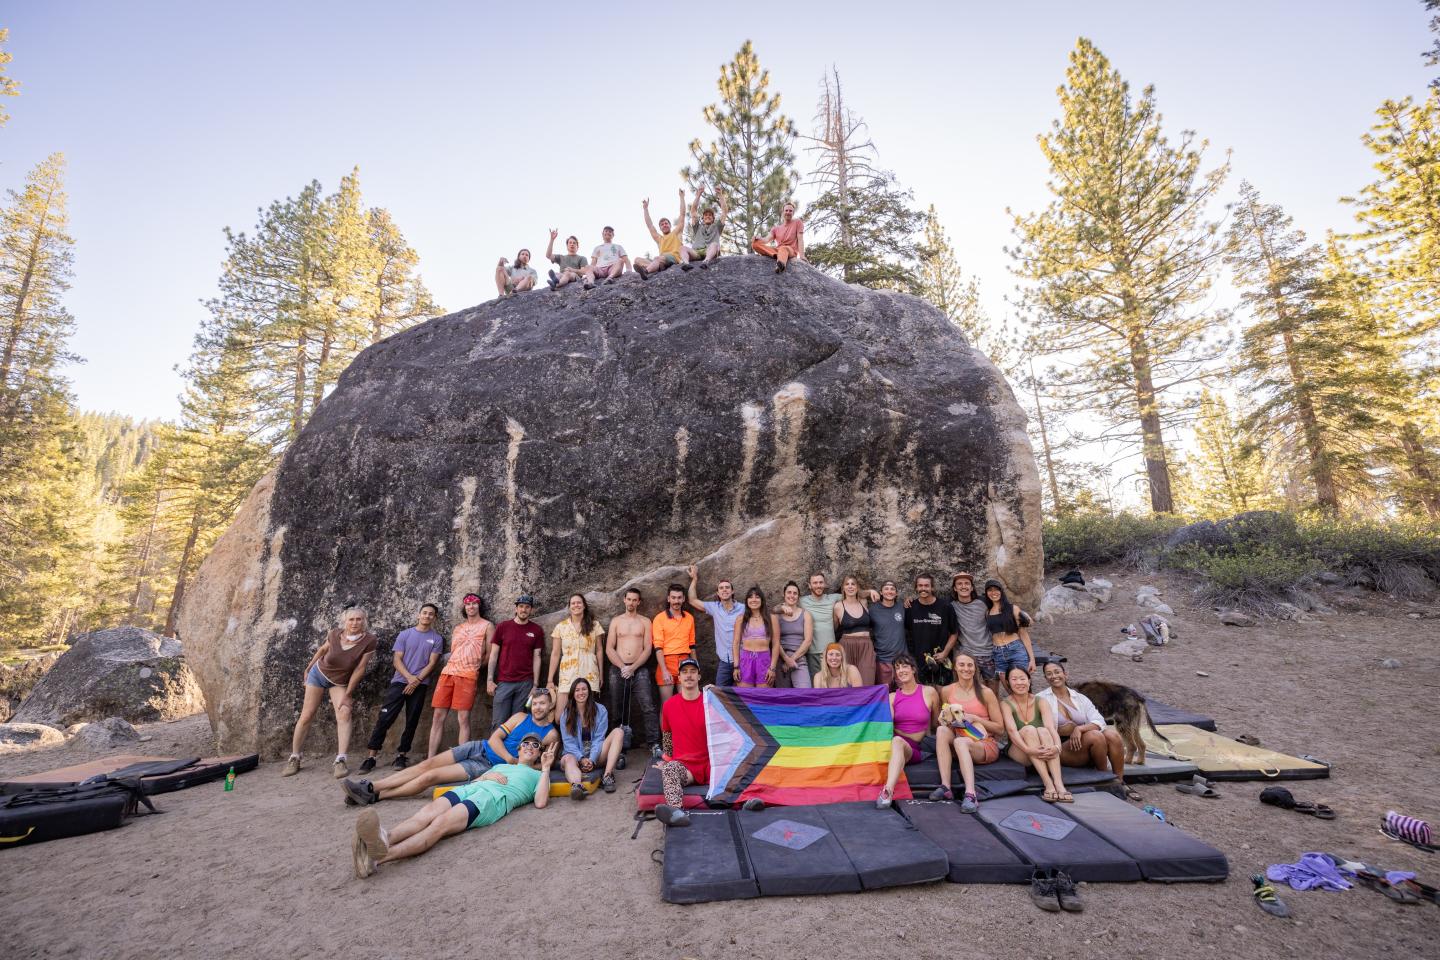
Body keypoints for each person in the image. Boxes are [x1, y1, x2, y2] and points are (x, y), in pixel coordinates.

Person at [352, 735, 555, 879]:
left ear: (539, 753)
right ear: (518, 749)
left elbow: (540, 802)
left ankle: (378, 858)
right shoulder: (502, 765)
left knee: (439, 824)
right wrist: (486, 775)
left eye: (535, 745)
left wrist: (545, 768)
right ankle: (385, 838)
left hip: (490, 799)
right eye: (526, 743)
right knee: (425, 814)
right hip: (473, 788)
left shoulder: (538, 776)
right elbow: (477, 778)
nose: (530, 746)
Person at [341, 689, 560, 805]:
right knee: (427, 764)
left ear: (550, 706)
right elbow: (495, 739)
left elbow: (543, 765)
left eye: (543, 703)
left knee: (431, 777)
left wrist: (511, 763)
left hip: (487, 766)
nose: (538, 707)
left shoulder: (550, 733)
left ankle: (377, 796)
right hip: (479, 747)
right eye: (536, 703)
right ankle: (372, 786)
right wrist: (510, 758)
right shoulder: (520, 716)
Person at [283, 607, 377, 779]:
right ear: (345, 621)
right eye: (351, 619)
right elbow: (322, 650)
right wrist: (309, 667)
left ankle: (340, 760)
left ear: (364, 621)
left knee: (345, 712)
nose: (355, 623)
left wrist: (348, 694)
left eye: (358, 619)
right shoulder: (334, 634)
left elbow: (360, 669)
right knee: (307, 715)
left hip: (339, 681)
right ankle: (294, 757)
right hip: (318, 674)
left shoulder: (369, 640)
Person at [359, 603, 443, 773]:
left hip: (420, 685)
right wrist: (409, 678)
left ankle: (401, 755)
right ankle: (371, 757)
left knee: (412, 720)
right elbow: (397, 659)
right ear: (419, 615)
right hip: (400, 682)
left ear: (434, 618)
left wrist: (416, 681)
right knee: (385, 718)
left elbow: (432, 663)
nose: (427, 616)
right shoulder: (405, 634)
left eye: (431, 614)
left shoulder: (437, 638)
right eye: (424, 613)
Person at [1039, 661, 1140, 800]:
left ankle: (1120, 781)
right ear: (1045, 678)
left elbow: (1099, 720)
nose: (1054, 676)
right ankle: (1105, 779)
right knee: (1095, 736)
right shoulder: (1041, 698)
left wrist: (1080, 728)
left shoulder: (1079, 698)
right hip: (1062, 747)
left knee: (1112, 735)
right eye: (1049, 674)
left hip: (1086, 744)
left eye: (1057, 672)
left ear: (1065, 674)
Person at [930, 654, 1005, 812]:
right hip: (959, 741)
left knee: (960, 742)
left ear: (975, 668)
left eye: (970, 665)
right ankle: (945, 786)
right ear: (955, 667)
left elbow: (999, 728)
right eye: (962, 665)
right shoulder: (946, 691)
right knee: (942, 730)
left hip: (983, 743)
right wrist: (946, 719)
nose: (966, 668)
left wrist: (975, 718)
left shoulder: (985, 692)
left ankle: (971, 794)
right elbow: (945, 722)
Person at [426, 593, 493, 759]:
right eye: (467, 604)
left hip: (468, 675)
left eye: (474, 603)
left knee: (463, 718)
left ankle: (462, 759)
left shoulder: (487, 626)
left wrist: (475, 667)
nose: (471, 606)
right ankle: (430, 758)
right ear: (464, 607)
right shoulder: (458, 628)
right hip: (448, 673)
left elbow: (490, 654)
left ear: (479, 606)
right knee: (437, 716)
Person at [876, 655, 939, 808]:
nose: (901, 670)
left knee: (897, 741)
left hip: (916, 749)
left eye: (904, 666)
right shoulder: (892, 697)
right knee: (896, 741)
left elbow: (936, 723)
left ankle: (887, 791)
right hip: (896, 745)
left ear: (913, 669)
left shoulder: (929, 692)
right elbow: (887, 725)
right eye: (897, 668)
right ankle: (888, 791)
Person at [653, 657, 709, 828]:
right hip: (686, 768)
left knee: (740, 764)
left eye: (693, 672)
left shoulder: (711, 701)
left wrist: (718, 692)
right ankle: (676, 813)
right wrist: (667, 760)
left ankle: (749, 800)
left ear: (699, 676)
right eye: (684, 672)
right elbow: (668, 738)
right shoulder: (669, 705)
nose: (689, 675)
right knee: (669, 769)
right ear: (679, 677)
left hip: (712, 765)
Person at [1003, 666, 1070, 803]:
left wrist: (1057, 746)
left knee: (1044, 730)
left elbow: (1051, 729)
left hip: (1042, 749)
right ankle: (1048, 784)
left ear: (1029, 681)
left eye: (1022, 678)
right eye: (1014, 679)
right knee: (1029, 729)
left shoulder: (1040, 701)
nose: (1019, 683)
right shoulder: (1006, 703)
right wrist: (1028, 749)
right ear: (1008, 683)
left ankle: (1059, 784)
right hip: (1020, 750)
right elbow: (1012, 732)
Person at [605, 587, 660, 750]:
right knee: (616, 708)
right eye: (629, 599)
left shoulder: (645, 622)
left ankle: (654, 743)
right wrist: (623, 667)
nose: (631, 602)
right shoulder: (616, 621)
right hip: (618, 668)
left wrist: (633, 667)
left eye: (635, 600)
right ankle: (618, 745)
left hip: (639, 668)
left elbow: (648, 649)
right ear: (624, 600)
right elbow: (609, 648)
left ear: (639, 602)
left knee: (648, 705)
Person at [800, 574, 878, 679]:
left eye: (821, 582)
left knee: (836, 683)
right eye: (815, 583)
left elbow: (852, 592)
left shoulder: (833, 598)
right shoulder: (802, 601)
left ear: (825, 584)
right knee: (818, 684)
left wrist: (870, 591)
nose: (818, 585)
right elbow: (788, 602)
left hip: (831, 650)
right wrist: (780, 608)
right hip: (813, 651)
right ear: (809, 585)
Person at [487, 594, 546, 729]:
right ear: (516, 608)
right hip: (504, 683)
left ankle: (513, 750)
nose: (523, 610)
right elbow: (493, 654)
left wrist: (535, 685)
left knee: (519, 722)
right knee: (498, 722)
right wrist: (489, 680)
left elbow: (537, 657)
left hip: (526, 684)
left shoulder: (536, 630)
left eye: (527, 607)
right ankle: (494, 750)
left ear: (531, 610)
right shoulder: (503, 626)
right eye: (521, 606)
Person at [558, 677, 625, 797]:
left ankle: (607, 776)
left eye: (584, 689)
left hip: (596, 756)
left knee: (619, 732)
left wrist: (592, 759)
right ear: (573, 693)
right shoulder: (566, 714)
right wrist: (581, 758)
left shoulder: (600, 710)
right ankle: (577, 786)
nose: (581, 693)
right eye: (577, 690)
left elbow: (599, 738)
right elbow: (568, 743)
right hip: (576, 758)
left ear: (589, 691)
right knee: (568, 758)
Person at [546, 593, 604, 718]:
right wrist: (550, 679)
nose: (576, 605)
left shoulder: (595, 625)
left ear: (584, 606)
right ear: (569, 607)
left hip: (588, 672)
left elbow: (599, 650)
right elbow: (555, 654)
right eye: (573, 603)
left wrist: (601, 674)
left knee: (586, 715)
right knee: (559, 717)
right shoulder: (561, 627)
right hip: (567, 674)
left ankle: (585, 738)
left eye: (579, 602)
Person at [686, 565, 743, 687]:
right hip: (724, 661)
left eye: (727, 587)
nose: (724, 590)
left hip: (743, 659)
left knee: (743, 695)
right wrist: (694, 579)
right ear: (718, 593)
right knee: (720, 695)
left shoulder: (743, 609)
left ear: (732, 591)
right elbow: (692, 600)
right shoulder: (715, 607)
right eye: (721, 588)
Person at [904, 574, 958, 686]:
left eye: (926, 585)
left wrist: (945, 653)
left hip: (941, 660)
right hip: (919, 661)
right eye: (920, 586)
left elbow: (954, 633)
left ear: (932, 588)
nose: (923, 588)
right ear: (916, 588)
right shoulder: (910, 608)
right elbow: (907, 633)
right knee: (923, 695)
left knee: (943, 693)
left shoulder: (945, 607)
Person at [983, 579, 1035, 692]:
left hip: (1015, 649)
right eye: (990, 590)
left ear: (1001, 592)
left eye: (996, 590)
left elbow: (1023, 633)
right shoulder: (987, 612)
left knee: (1023, 687)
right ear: (987, 593)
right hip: (998, 653)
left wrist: (1032, 659)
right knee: (1009, 689)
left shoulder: (1012, 608)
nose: (994, 592)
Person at [652, 583, 696, 702]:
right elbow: (658, 647)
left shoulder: (689, 618)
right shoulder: (659, 618)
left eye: (679, 597)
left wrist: (695, 665)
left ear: (683, 599)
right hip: (666, 662)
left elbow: (692, 644)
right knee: (667, 705)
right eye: (673, 597)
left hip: (685, 661)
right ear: (668, 599)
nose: (676, 601)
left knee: (687, 702)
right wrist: (665, 670)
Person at [950, 572, 995, 687]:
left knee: (992, 689)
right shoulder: (951, 605)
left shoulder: (984, 602)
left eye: (967, 583)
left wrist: (1020, 613)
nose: (963, 586)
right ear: (955, 588)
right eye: (959, 584)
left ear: (972, 587)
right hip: (967, 654)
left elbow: (1004, 606)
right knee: (968, 688)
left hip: (988, 652)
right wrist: (909, 601)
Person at [833, 575, 876, 686]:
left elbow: (874, 595)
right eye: (847, 584)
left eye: (853, 584)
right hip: (847, 645)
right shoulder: (838, 606)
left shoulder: (864, 602)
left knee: (868, 680)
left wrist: (871, 591)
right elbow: (834, 628)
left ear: (857, 587)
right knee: (848, 682)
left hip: (866, 646)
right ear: (843, 588)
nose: (850, 587)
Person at [731, 586, 779, 688]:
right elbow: (736, 643)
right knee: (746, 697)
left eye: (757, 597)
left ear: (762, 600)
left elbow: (776, 644)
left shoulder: (772, 618)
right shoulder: (741, 619)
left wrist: (772, 668)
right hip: (745, 661)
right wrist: (736, 666)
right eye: (750, 597)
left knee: (763, 698)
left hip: (764, 661)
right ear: (747, 601)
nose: (754, 600)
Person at [633, 190, 686, 278]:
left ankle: (646, 271)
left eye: (666, 223)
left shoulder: (676, 233)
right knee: (637, 260)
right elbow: (650, 225)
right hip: (660, 261)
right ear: (660, 228)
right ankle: (654, 267)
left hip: (674, 259)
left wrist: (682, 197)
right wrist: (645, 209)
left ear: (670, 225)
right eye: (662, 224)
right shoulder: (659, 238)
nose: (664, 225)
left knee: (659, 258)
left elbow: (682, 215)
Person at [771, 581, 813, 688]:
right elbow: (775, 640)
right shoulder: (776, 614)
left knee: (805, 693)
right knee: (783, 697)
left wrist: (792, 659)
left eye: (795, 593)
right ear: (784, 595)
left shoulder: (806, 614)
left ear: (798, 597)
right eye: (789, 592)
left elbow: (808, 641)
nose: (792, 595)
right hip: (781, 659)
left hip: (799, 658)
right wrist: (786, 658)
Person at [871, 580, 907, 689]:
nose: (889, 591)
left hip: (902, 660)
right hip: (882, 660)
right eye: (886, 588)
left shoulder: (902, 607)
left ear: (896, 593)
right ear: (881, 592)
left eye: (892, 589)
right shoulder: (873, 609)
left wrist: (909, 600)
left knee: (904, 692)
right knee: (884, 694)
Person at [680, 189, 729, 270]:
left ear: (713, 218)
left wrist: (720, 194)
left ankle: (706, 262)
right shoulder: (698, 227)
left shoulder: (717, 227)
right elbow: (693, 211)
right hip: (696, 252)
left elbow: (724, 211)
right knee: (682, 248)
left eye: (710, 215)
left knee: (714, 244)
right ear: (703, 218)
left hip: (709, 251)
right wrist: (698, 194)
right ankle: (686, 263)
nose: (708, 216)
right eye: (706, 215)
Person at [751, 200, 805, 273]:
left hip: (790, 250)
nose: (788, 212)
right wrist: (758, 238)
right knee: (755, 244)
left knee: (783, 248)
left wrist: (802, 256)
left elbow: (800, 239)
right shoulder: (776, 229)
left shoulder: (797, 222)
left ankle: (781, 265)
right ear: (783, 212)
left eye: (790, 211)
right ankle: (777, 256)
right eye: (786, 210)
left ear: (793, 213)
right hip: (778, 250)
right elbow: (766, 240)